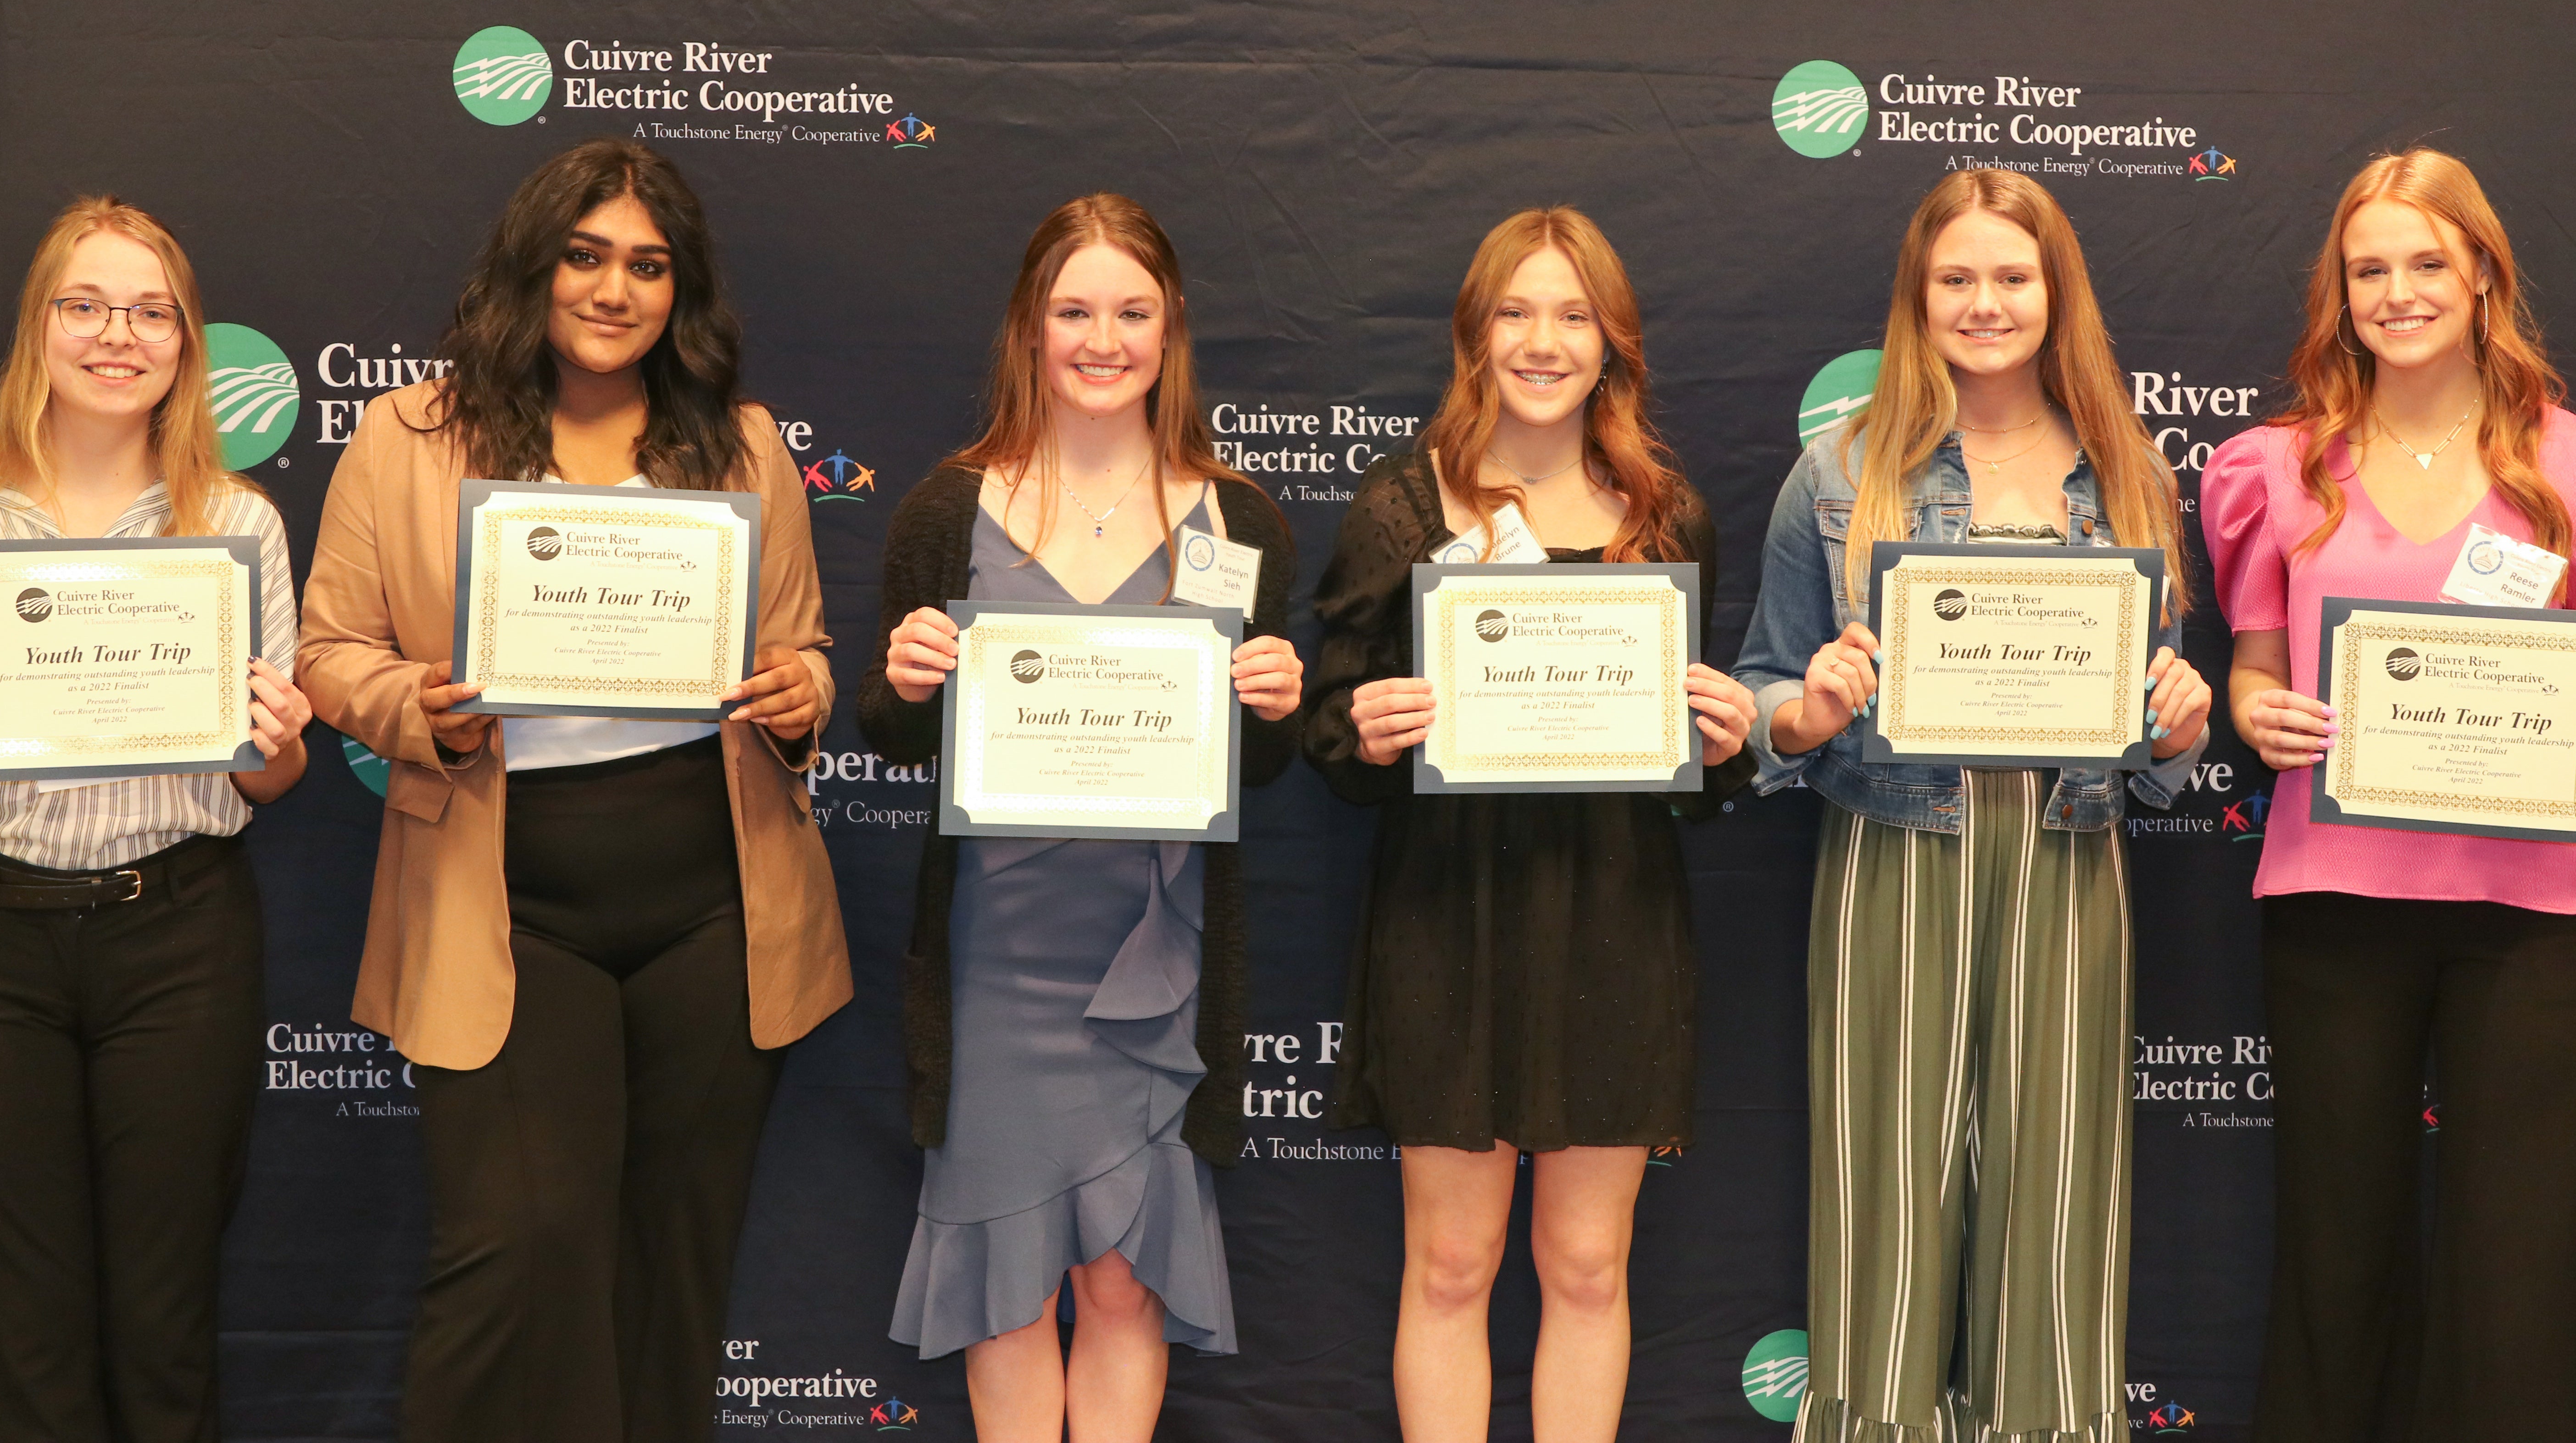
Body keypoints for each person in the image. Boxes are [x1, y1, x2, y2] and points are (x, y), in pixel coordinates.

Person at [293, 139, 847, 1443]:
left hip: (715, 904)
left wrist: (803, 698)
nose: (614, 289)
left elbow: (806, 650)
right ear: (532, 268)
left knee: (675, 1262)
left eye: (648, 266)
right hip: (504, 898)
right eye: (586, 256)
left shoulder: (746, 446)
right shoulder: (408, 435)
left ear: (682, 292)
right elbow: (328, 653)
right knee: (516, 1247)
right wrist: (413, 708)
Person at [1730, 167, 2213, 1443]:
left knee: (2059, 1196)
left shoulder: (2129, 478)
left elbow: (2162, 725)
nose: (1985, 303)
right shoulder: (1838, 472)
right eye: (1958, 279)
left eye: (2012, 278)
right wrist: (1811, 708)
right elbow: (1757, 691)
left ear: (2058, 297)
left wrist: (2183, 717)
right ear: (1918, 296)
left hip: (2068, 861)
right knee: (1888, 1194)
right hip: (1895, 855)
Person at [2200, 149, 2576, 1443]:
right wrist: (2258, 714)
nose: (2397, 293)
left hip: (2531, 911)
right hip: (2336, 895)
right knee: (2336, 1242)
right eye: (2369, 270)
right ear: (2339, 293)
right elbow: (2252, 668)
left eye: (2424, 264)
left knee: (2523, 1252)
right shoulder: (2272, 471)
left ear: (2481, 279)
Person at [1302, 205, 1758, 1443]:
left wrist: (1724, 743)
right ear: (1474, 333)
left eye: (1573, 314)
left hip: (1613, 916)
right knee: (1451, 1267)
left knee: (1589, 1269)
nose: (1544, 341)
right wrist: (1370, 728)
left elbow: (1688, 775)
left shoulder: (1666, 518)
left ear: (1614, 342)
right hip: (1449, 918)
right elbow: (1332, 736)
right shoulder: (1401, 509)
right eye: (1517, 311)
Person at [857, 191, 1303, 1443]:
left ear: (1170, 332)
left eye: (1131, 311)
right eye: (1073, 311)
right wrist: (900, 687)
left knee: (1122, 1281)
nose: (1101, 339)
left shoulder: (1243, 520)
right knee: (1006, 1294)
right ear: (1027, 329)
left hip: (1158, 968)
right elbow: (891, 739)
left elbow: (1258, 770)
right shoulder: (948, 512)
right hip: (998, 961)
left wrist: (1273, 704)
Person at [0, 196, 310, 1443]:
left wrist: (282, 745)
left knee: (163, 1318)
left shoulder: (237, 526)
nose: (116, 335)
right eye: (85, 306)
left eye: (151, 312)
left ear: (187, 346)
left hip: (178, 936)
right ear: (39, 328)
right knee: (33, 1327)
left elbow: (262, 783)